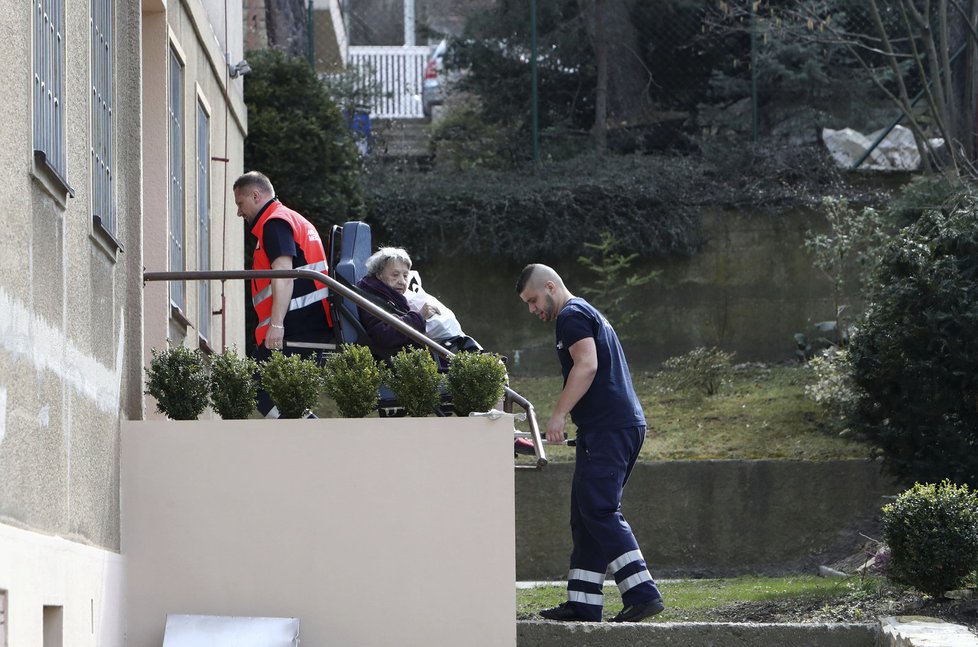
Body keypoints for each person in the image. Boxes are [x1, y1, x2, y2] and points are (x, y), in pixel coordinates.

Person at [516, 263, 664, 623]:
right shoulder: (584, 311)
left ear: (550, 287)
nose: (533, 309)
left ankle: (643, 594)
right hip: (612, 427)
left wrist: (558, 415)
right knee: (585, 516)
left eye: (534, 300)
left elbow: (587, 365)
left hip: (608, 429)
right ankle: (583, 603)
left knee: (598, 510)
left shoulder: (571, 315)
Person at [233, 171, 333, 417]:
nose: (239, 212)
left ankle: (310, 434)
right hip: (308, 322)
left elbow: (283, 274)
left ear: (256, 196)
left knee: (256, 387)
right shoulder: (287, 219)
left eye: (240, 203)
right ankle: (305, 434)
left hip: (296, 326)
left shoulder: (274, 223)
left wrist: (276, 325)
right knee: (283, 394)